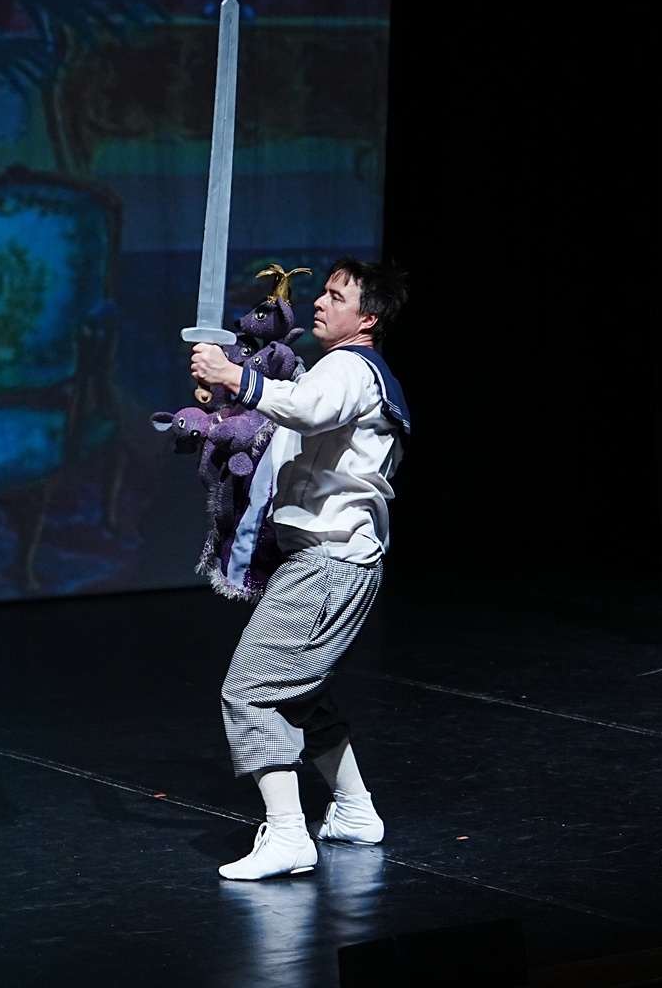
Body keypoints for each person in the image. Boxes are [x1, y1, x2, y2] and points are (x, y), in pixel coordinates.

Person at [189, 256, 410, 881]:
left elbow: (308, 410)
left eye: (337, 296)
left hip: (329, 562)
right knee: (302, 695)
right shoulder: (346, 373)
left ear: (367, 319)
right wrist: (228, 394)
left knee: (251, 691)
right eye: (323, 293)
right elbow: (289, 419)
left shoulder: (351, 368)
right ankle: (355, 810)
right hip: (336, 562)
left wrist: (233, 374)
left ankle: (288, 834)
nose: (319, 302)